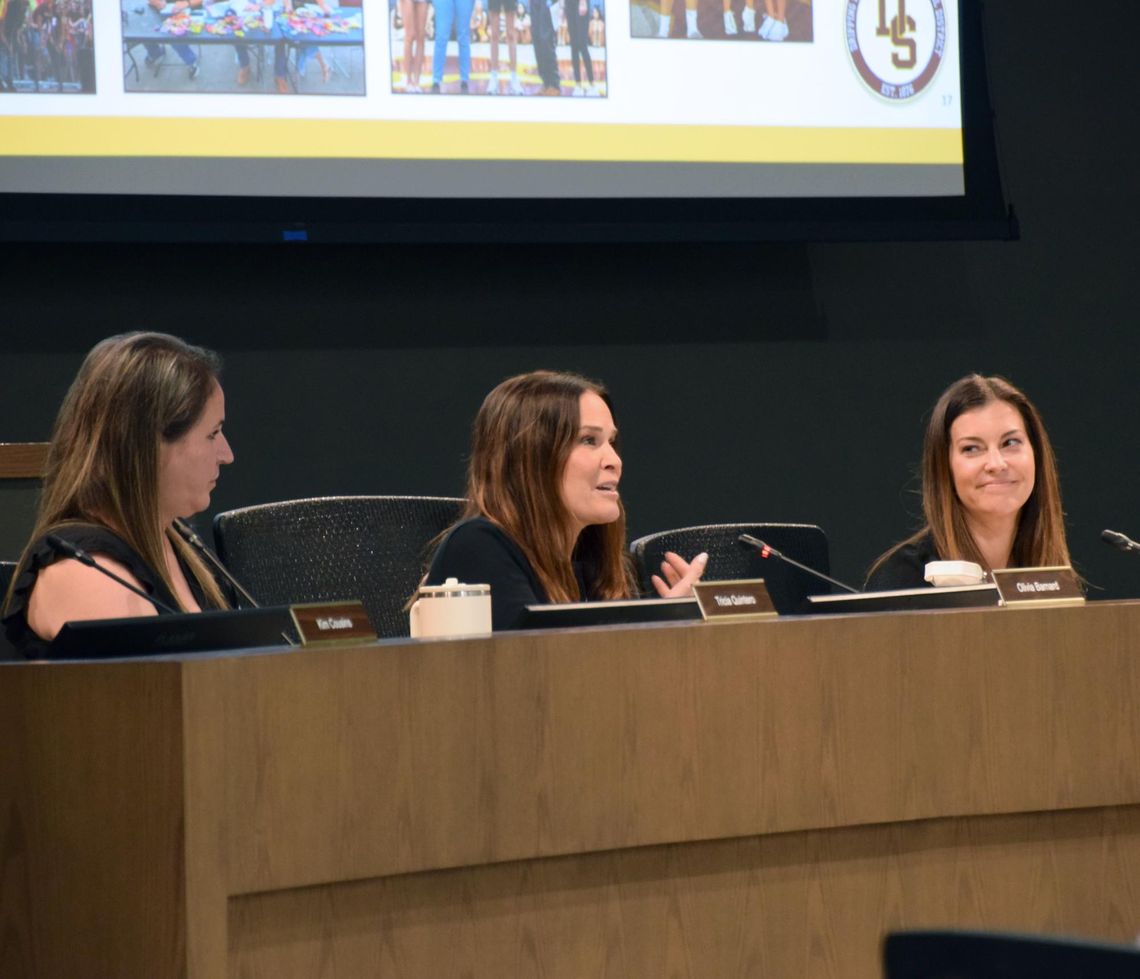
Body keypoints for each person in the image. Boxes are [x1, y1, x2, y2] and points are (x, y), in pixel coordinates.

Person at [2, 332, 236, 658]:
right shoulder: (83, 574)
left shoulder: (178, 542)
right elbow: (147, 687)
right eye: (212, 433)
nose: (227, 455)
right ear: (148, 446)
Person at [424, 371, 707, 630]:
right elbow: (541, 663)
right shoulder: (477, 546)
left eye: (611, 442)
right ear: (532, 457)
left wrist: (669, 626)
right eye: (588, 440)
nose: (614, 461)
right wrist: (657, 626)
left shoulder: (592, 562)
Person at [865, 374, 1070, 591]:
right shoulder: (902, 580)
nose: (996, 464)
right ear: (945, 467)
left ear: (1036, 453)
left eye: (1010, 442)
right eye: (971, 448)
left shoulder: (1055, 581)